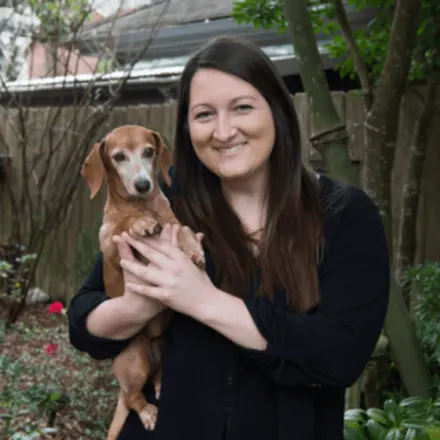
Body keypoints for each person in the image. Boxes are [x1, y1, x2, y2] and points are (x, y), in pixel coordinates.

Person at [67, 35, 390, 440]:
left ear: (277, 110)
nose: (223, 131)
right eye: (204, 115)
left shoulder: (345, 215)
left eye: (242, 107)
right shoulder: (166, 204)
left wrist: (201, 299)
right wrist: (139, 303)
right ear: (187, 127)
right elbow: (83, 323)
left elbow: (340, 356)